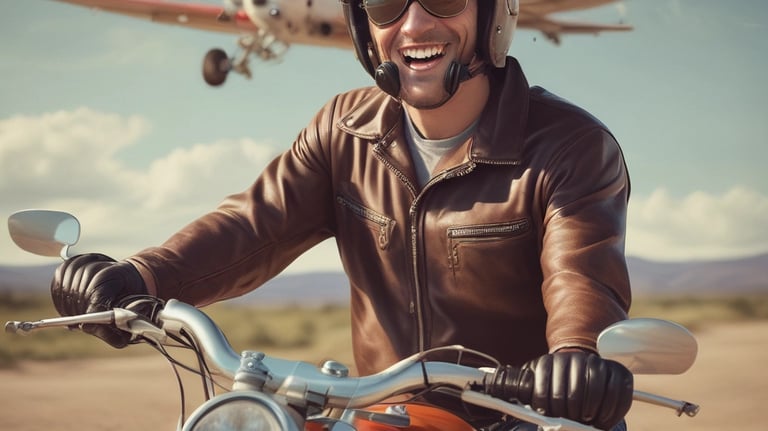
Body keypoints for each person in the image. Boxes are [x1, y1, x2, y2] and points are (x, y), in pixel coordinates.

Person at [51, 1, 634, 430]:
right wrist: (140, 276)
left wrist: (577, 358)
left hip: (529, 417)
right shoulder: (343, 130)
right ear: (363, 24)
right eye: (385, 4)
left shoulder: (570, 147)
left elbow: (580, 277)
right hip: (384, 416)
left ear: (492, 12)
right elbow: (254, 224)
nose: (413, 24)